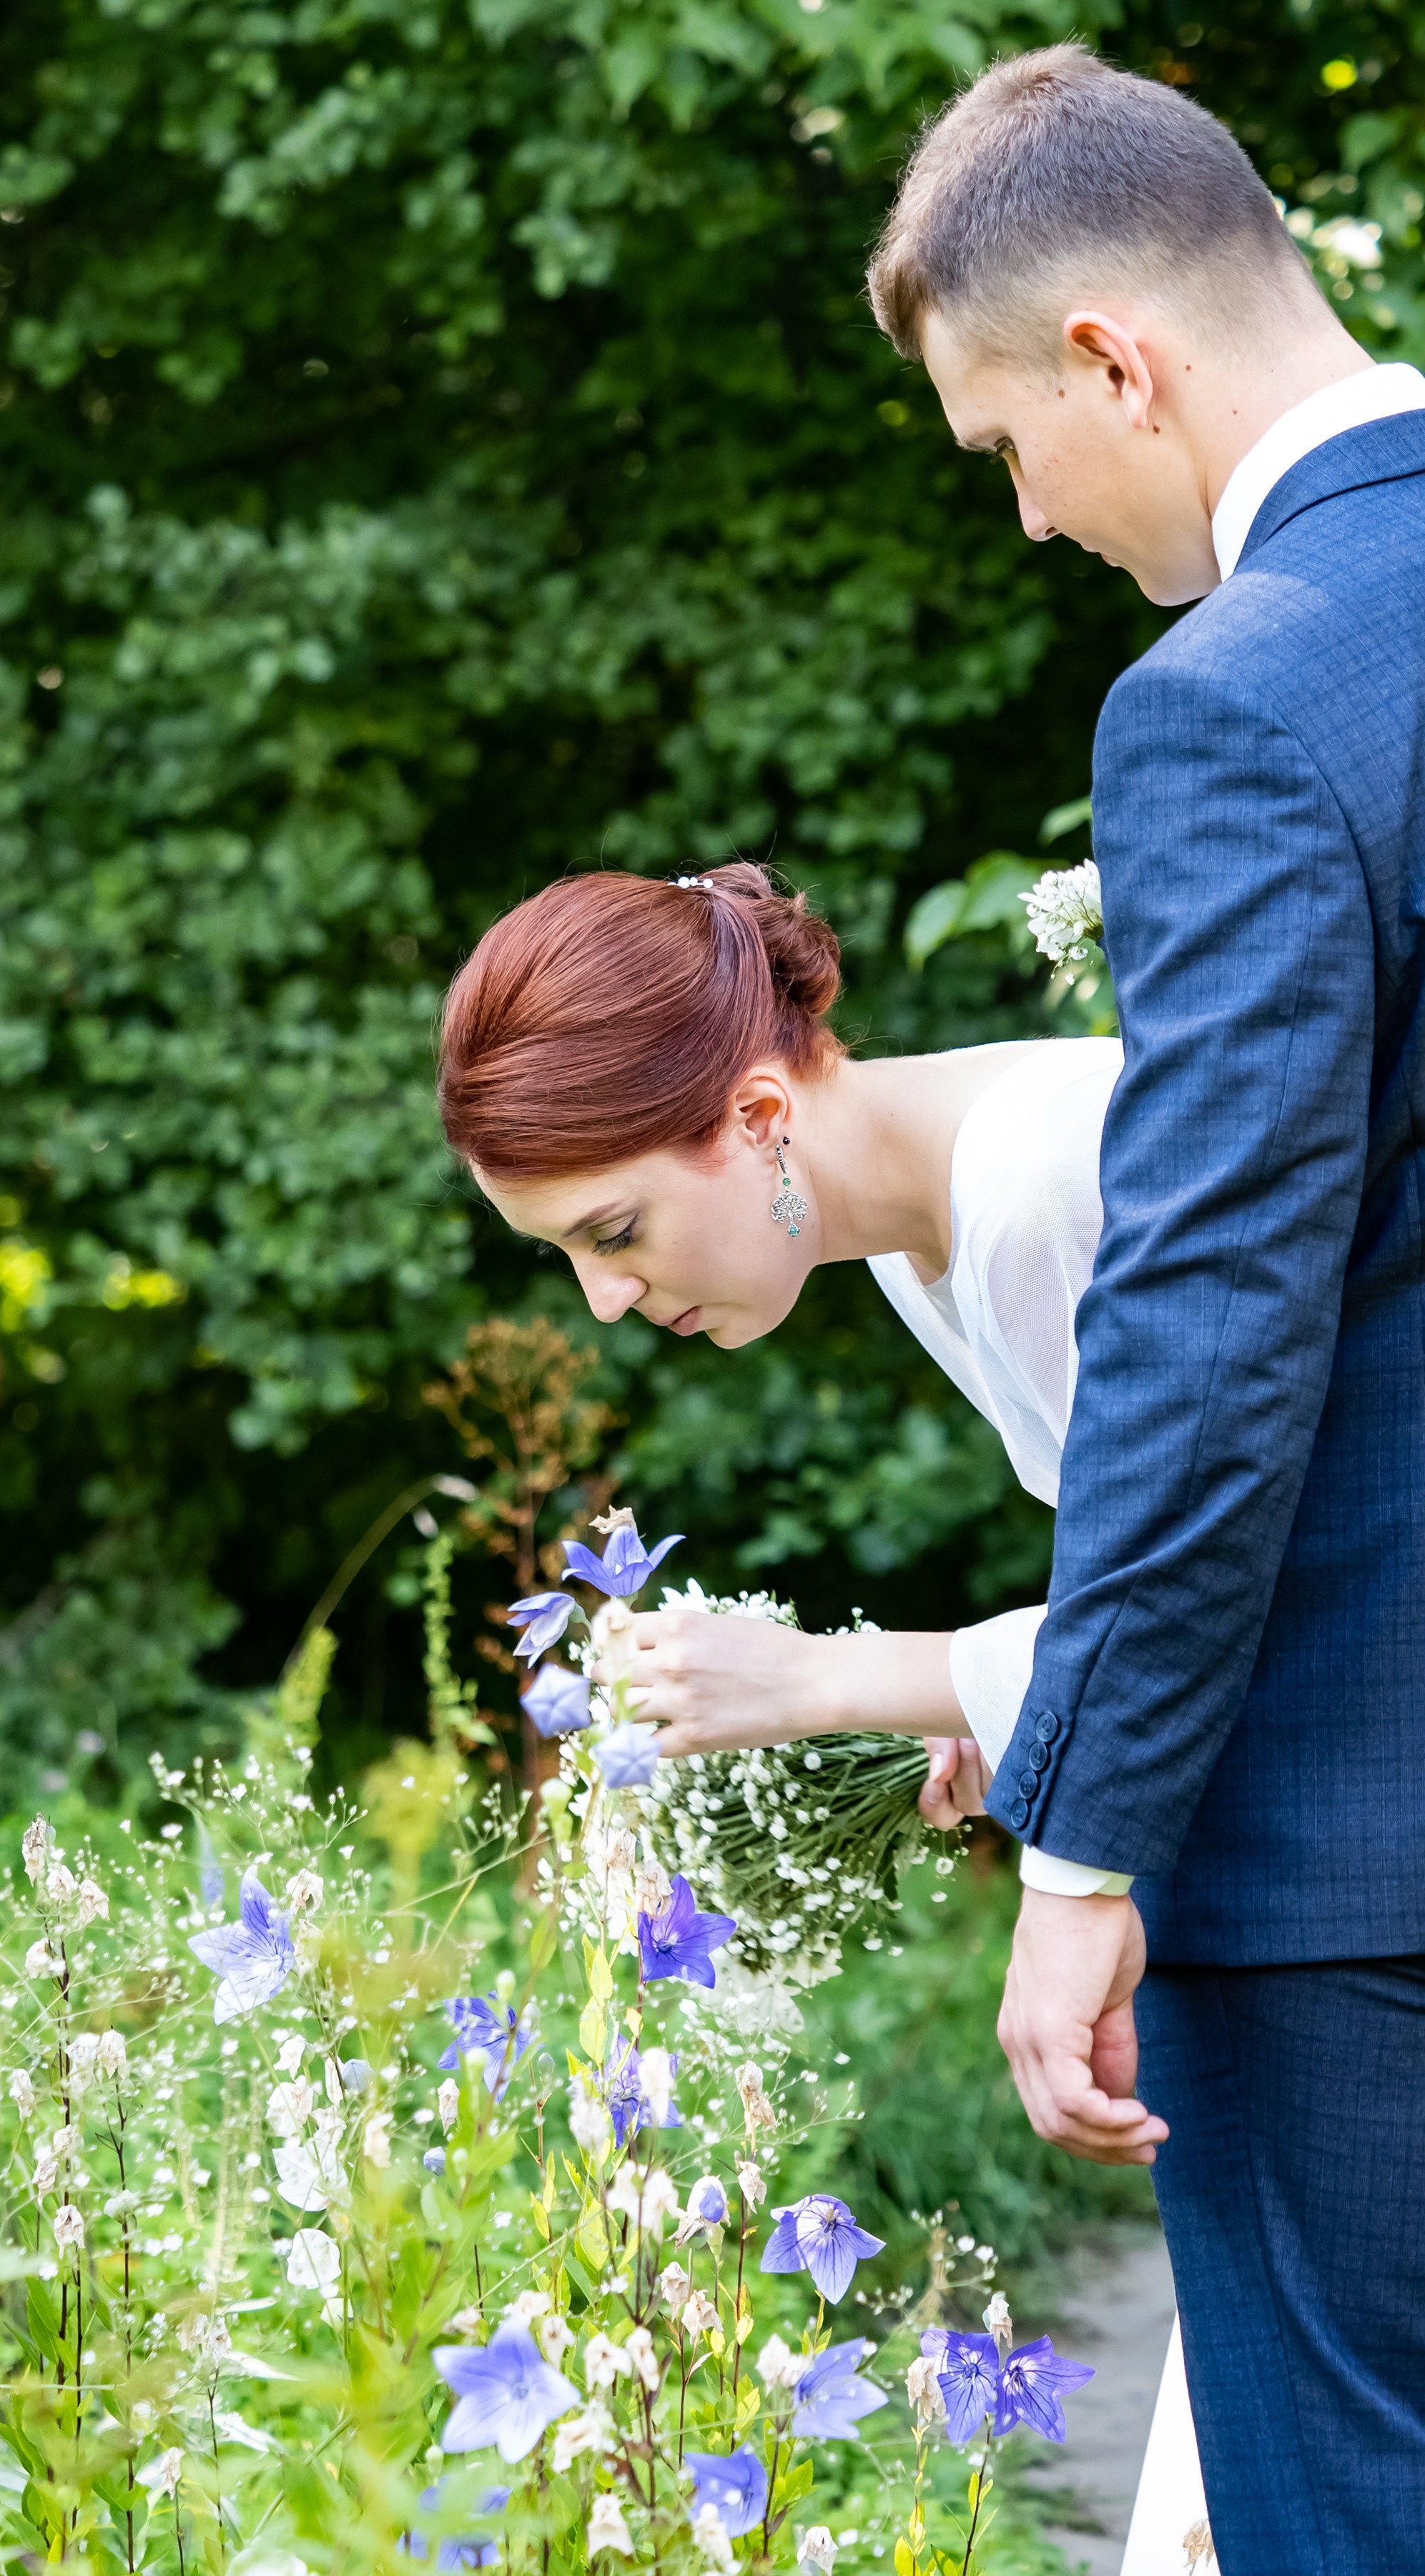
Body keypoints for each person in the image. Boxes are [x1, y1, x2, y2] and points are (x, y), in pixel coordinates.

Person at [866, 40, 1425, 2569]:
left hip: (1351, 1868)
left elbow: (1207, 1332)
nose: (1023, 515)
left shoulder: (1238, 702)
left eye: (1000, 445)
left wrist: (1079, 1848)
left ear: (1110, 356)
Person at [438, 860, 1206, 2565]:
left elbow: (1224, 1592)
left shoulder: (1041, 1182)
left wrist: (824, 1679)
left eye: (611, 1232)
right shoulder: (929, 1236)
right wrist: (1007, 1708)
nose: (605, 1302)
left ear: (760, 1116)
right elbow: (1136, 1574)